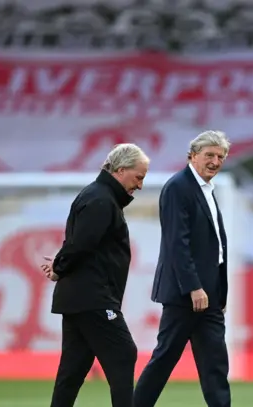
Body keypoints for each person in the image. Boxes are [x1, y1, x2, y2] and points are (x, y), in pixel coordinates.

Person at [40, 143, 150, 407]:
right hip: (94, 298)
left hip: (81, 298)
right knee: (124, 353)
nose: (140, 185)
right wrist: (60, 267)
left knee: (73, 369)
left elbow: (78, 242)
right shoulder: (101, 199)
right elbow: (82, 244)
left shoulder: (98, 196)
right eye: (139, 177)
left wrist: (61, 264)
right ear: (121, 170)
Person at [133, 130, 231, 407]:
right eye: (209, 155)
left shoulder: (206, 189)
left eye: (220, 156)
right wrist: (193, 287)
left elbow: (213, 247)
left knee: (215, 365)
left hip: (209, 294)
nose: (215, 161)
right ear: (192, 156)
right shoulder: (179, 187)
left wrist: (218, 292)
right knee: (165, 359)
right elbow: (177, 243)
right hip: (185, 292)